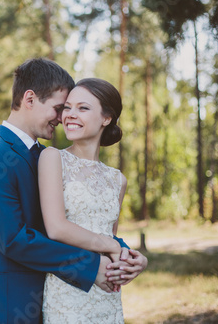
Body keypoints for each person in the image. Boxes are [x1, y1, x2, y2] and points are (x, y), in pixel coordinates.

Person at [0, 58, 146, 324]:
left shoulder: (49, 158)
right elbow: (14, 239)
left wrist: (126, 254)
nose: (63, 117)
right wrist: (89, 266)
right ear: (30, 99)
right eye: (59, 108)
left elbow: (81, 223)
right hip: (12, 307)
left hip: (58, 299)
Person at [39, 78, 145, 323]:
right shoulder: (53, 158)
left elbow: (111, 238)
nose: (70, 115)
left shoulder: (117, 179)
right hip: (67, 293)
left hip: (106, 296)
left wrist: (133, 259)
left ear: (106, 118)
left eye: (82, 108)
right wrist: (111, 246)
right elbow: (56, 228)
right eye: (67, 108)